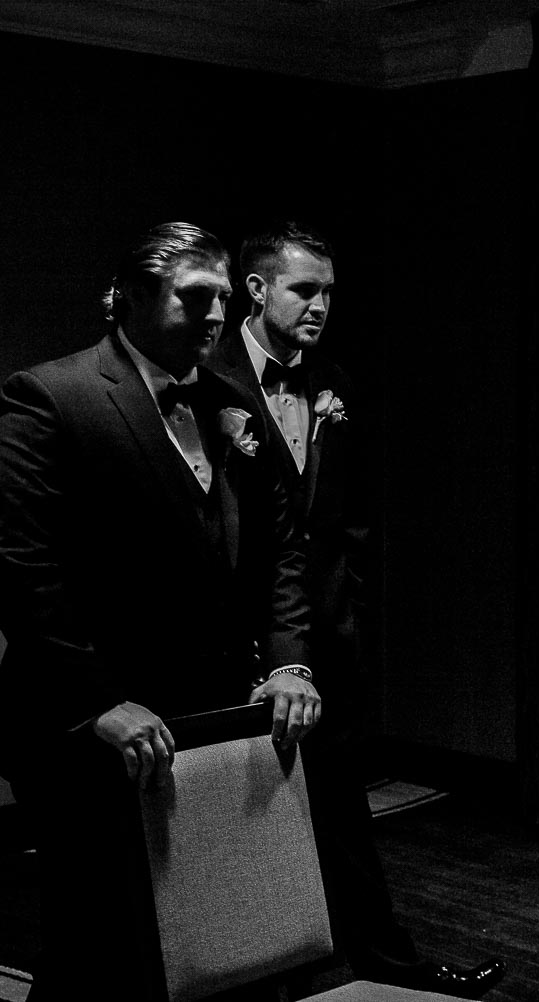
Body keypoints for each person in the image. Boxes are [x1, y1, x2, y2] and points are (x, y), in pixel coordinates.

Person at [0, 222, 319, 999]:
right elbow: (23, 568)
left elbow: (281, 549)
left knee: (212, 937)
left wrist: (286, 661)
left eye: (221, 299)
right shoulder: (51, 395)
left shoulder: (229, 401)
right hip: (91, 725)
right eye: (196, 297)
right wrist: (98, 701)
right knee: (98, 946)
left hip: (212, 719)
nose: (216, 316)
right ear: (131, 298)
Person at [207, 222, 503, 997]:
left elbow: (346, 522)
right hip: (232, 646)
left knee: (342, 813)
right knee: (234, 825)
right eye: (305, 289)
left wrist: (348, 611)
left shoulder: (333, 379)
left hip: (329, 637)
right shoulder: (204, 378)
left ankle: (392, 968)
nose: (320, 305)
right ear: (257, 288)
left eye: (329, 292)